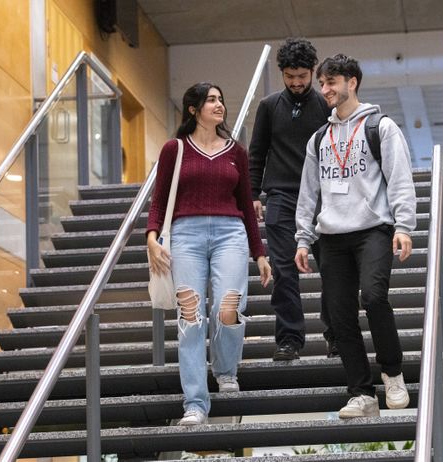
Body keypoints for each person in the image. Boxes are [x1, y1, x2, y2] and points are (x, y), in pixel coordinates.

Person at [294, 54, 416, 418]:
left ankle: (392, 373)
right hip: (331, 236)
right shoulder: (320, 138)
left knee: (374, 297)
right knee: (340, 315)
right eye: (323, 83)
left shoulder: (381, 127)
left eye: (332, 82)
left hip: (373, 230)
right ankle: (361, 392)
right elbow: (308, 192)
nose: (326, 89)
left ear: (352, 82)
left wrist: (404, 226)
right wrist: (303, 237)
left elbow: (399, 178)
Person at [147, 82, 272, 426]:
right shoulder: (175, 149)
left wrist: (259, 253)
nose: (219, 105)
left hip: (230, 234)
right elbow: (159, 199)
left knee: (228, 307)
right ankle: (195, 404)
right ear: (193, 109)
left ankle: (226, 370)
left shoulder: (236, 151)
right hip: (186, 235)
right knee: (190, 317)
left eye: (220, 99)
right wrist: (151, 237)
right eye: (211, 100)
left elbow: (247, 205)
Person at [248, 37, 334, 361]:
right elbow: (256, 153)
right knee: (283, 269)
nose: (297, 83)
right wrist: (254, 193)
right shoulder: (269, 106)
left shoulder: (327, 105)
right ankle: (289, 339)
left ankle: (336, 336)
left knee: (333, 268)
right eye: (290, 77)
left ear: (313, 71)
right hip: (281, 195)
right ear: (282, 73)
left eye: (302, 76)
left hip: (325, 197)